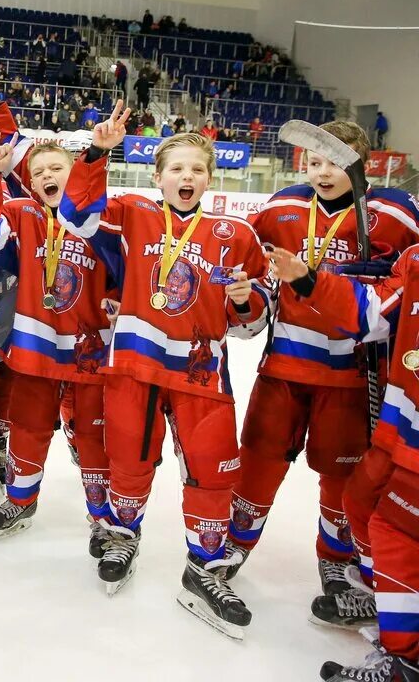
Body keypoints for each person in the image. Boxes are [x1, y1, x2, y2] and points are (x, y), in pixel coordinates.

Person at [59, 113, 271, 639]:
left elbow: (255, 316)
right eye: (177, 167)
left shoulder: (236, 234)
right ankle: (122, 535)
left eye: (198, 169)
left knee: (212, 471)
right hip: (135, 366)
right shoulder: (132, 214)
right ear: (157, 176)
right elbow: (75, 217)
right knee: (128, 458)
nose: (187, 176)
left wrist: (246, 303)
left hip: (202, 373)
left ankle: (204, 567)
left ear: (209, 178)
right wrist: (95, 156)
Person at [226, 122, 419, 615]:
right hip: (285, 364)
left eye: (336, 160)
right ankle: (235, 543)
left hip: (353, 376)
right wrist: (252, 304)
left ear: (363, 162)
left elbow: (400, 293)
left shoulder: (397, 214)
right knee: (259, 458)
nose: (323, 170)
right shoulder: (279, 208)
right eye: (314, 161)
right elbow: (258, 275)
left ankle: (336, 557)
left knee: (340, 475)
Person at [264, 243, 419, 682]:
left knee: (400, 532)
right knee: (363, 502)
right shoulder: (415, 259)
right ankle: (385, 598)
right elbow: (372, 316)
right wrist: (308, 279)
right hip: (402, 422)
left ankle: (404, 660)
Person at [0, 138, 115, 552]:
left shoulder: (102, 217)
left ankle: (102, 517)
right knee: (28, 426)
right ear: (29, 184)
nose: (47, 176)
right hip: (35, 344)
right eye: (38, 172)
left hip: (91, 351)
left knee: (92, 437)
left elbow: (126, 267)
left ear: (75, 172)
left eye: (56, 168)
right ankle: (20, 500)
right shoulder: (19, 212)